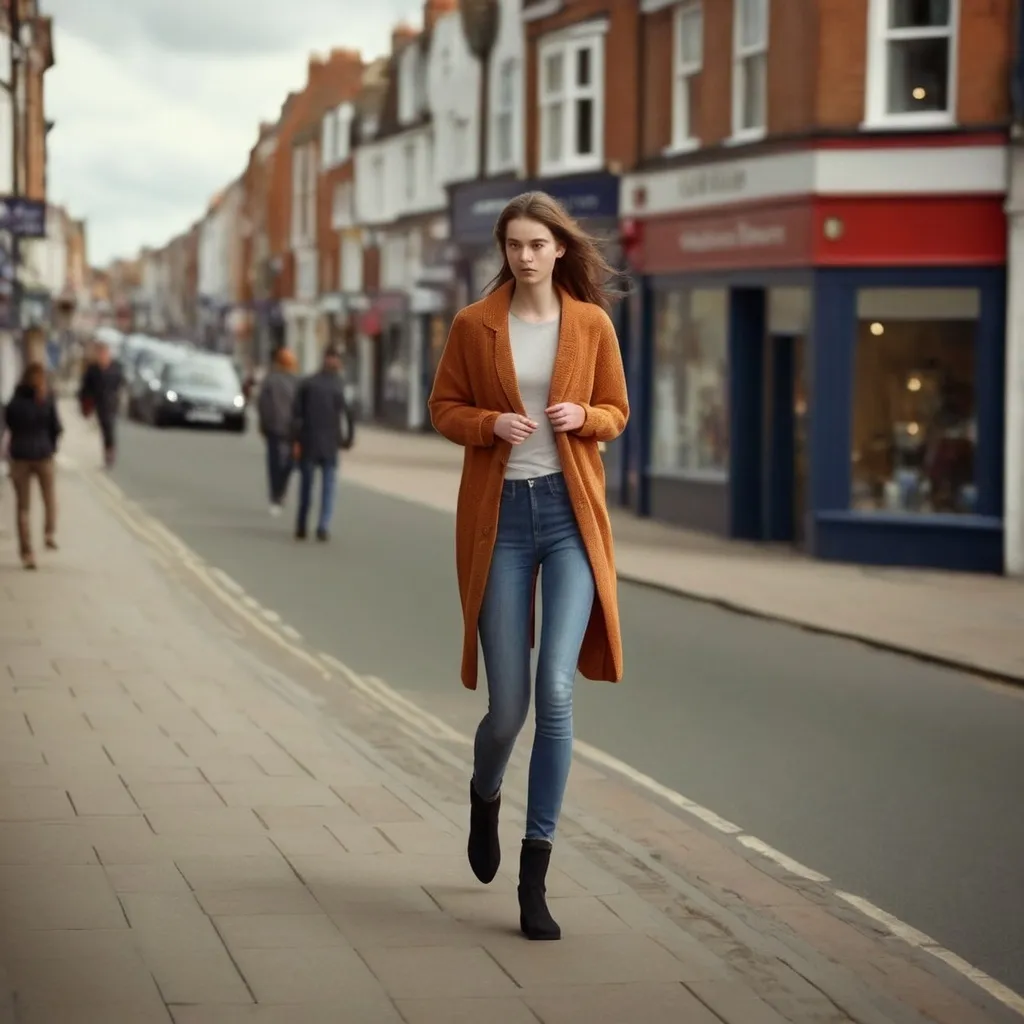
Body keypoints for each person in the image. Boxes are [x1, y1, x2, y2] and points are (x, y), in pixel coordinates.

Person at [427, 191, 629, 941]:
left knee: (555, 690)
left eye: (537, 244)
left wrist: (586, 418)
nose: (524, 255)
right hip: (502, 521)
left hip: (572, 519)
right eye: (513, 244)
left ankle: (533, 873)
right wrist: (488, 424)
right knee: (506, 707)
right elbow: (443, 406)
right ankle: (485, 793)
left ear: (559, 249)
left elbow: (616, 409)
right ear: (504, 251)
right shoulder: (475, 326)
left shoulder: (591, 324)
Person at [4, 363, 63, 570]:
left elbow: (9, 424)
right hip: (37, 455)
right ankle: (41, 539)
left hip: (23, 455)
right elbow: (56, 427)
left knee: (28, 505)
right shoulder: (43, 400)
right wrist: (51, 446)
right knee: (38, 502)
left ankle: (32, 547)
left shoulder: (15, 401)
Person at [291, 345, 350, 542]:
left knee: (325, 487)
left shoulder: (333, 384)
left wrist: (347, 437)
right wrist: (296, 440)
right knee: (310, 487)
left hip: (327, 443)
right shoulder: (311, 383)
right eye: (332, 357)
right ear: (326, 358)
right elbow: (297, 414)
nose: (334, 361)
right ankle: (304, 524)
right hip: (312, 441)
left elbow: (347, 415)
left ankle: (321, 526)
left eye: (336, 357)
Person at [256, 347, 299, 516]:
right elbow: (263, 403)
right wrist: (265, 423)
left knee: (286, 463)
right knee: (277, 463)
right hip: (276, 427)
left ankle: (279, 492)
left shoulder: (297, 382)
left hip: (288, 428)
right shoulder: (271, 380)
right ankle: (276, 494)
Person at [78, 340, 124, 467]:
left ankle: (110, 451)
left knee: (109, 426)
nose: (102, 356)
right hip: (98, 402)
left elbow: (120, 383)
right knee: (105, 426)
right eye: (100, 353)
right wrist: (84, 404)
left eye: (104, 353)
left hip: (111, 402)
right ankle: (108, 450)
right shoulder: (93, 370)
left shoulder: (115, 368)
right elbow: (85, 388)